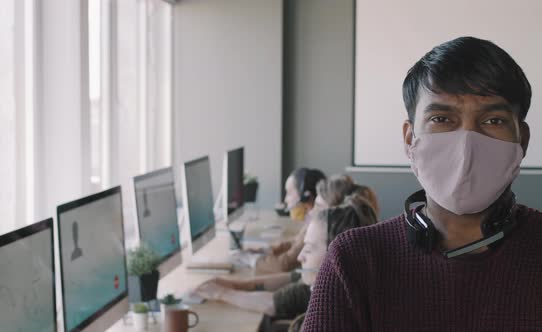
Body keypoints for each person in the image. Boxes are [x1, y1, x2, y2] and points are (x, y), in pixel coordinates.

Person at [302, 36, 542, 331]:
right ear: (409, 138)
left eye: (493, 121)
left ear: (523, 140)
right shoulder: (354, 261)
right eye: (442, 118)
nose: (466, 144)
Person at [195, 196, 377, 321]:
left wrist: (221, 293)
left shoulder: (329, 300)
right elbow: (287, 279)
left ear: (338, 256)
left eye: (310, 249)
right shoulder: (337, 285)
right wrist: (233, 285)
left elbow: (272, 303)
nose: (300, 256)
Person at [254, 168, 326, 274]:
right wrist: (267, 250)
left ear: (305, 196)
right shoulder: (313, 216)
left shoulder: (317, 224)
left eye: (289, 193)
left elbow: (284, 264)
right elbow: (296, 241)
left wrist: (251, 260)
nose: (285, 199)